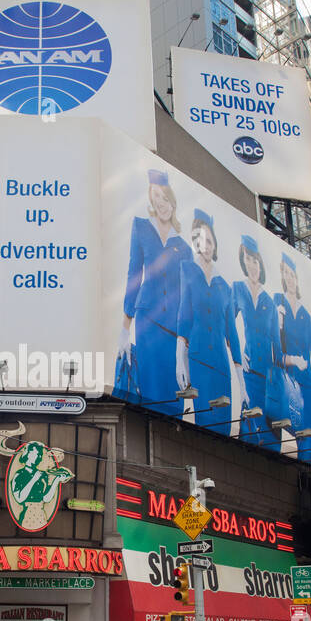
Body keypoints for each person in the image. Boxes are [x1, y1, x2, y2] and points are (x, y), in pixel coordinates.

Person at [120, 169, 191, 416]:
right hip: (147, 322)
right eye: (156, 197)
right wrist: (124, 329)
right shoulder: (140, 228)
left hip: (173, 329)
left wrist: (184, 345)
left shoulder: (183, 247)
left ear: (172, 200)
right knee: (148, 391)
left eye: (165, 197)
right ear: (151, 202)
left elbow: (186, 299)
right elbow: (133, 274)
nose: (161, 203)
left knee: (173, 395)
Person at [176, 210, 245, 436]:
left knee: (223, 425)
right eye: (199, 240)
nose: (205, 245)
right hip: (198, 360)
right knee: (204, 422)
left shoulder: (225, 286)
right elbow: (184, 317)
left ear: (214, 242)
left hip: (221, 365)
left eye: (208, 240)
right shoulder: (187, 270)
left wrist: (242, 383)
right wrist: (180, 359)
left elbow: (232, 335)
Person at [233, 234, 287, 449]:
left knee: (270, 438)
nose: (251, 265)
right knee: (249, 433)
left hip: (269, 380)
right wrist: (238, 356)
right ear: (243, 262)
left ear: (260, 264)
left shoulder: (270, 302)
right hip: (249, 374)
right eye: (247, 259)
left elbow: (277, 346)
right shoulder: (238, 289)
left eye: (255, 260)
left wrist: (282, 382)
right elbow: (227, 325)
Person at [274, 251, 311, 466]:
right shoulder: (279, 304)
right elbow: (275, 350)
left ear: (296, 278)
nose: (289, 277)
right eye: (285, 273)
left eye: (292, 274)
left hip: (309, 384)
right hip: (290, 382)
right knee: (299, 435)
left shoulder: (306, 313)